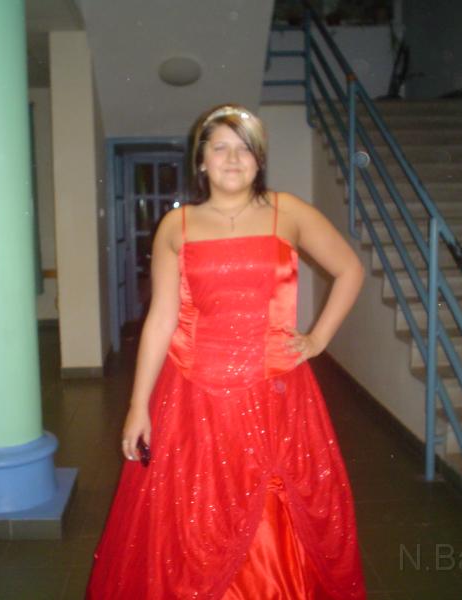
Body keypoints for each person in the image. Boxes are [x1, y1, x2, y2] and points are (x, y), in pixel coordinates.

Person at [87, 104, 367, 598]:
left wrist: (317, 340)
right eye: (220, 148)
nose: (233, 159)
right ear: (201, 160)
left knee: (275, 515)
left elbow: (350, 270)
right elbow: (161, 318)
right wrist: (137, 405)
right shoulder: (177, 226)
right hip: (193, 396)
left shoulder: (288, 212)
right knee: (191, 517)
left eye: (244, 149)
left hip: (274, 393)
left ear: (259, 159)